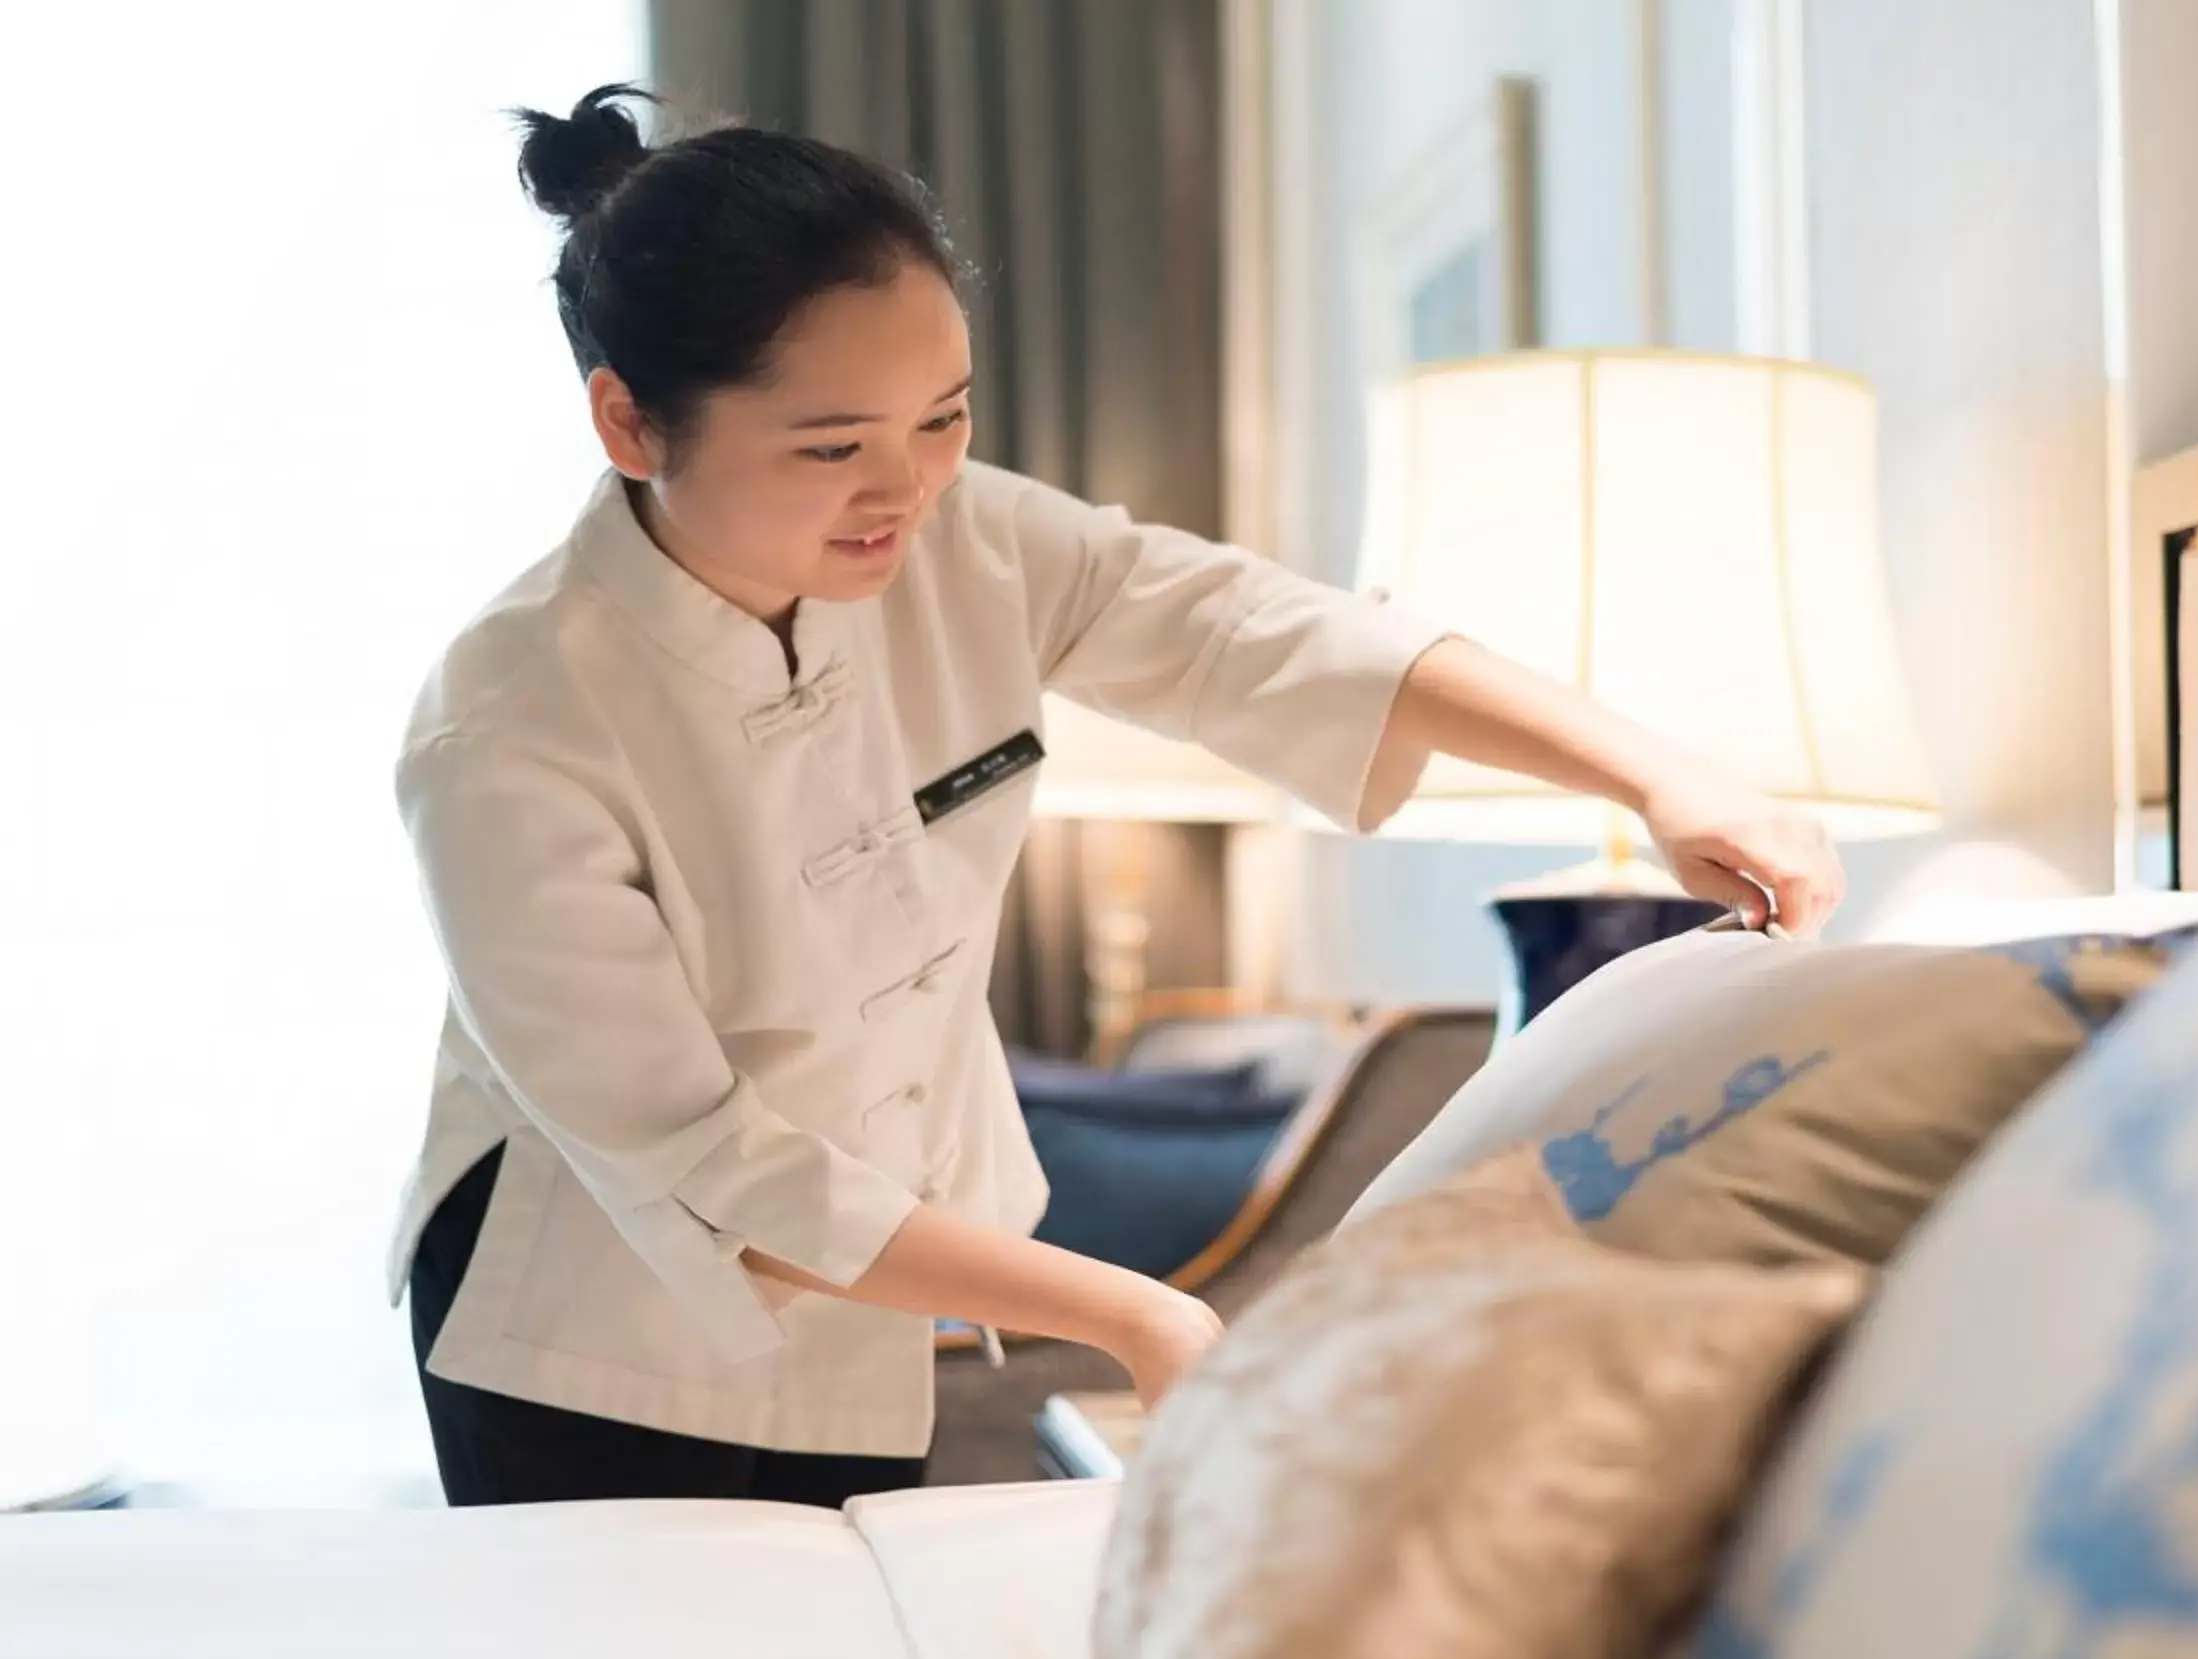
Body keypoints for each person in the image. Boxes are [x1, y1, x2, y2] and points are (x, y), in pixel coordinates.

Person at [391, 84, 1845, 1510]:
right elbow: (699, 1166)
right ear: (631, 425)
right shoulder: (509, 726)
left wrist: (1663, 774)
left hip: (872, 1294)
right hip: (591, 1319)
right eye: (832, 447)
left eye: (943, 419)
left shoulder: (966, 541)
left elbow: (1261, 632)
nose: (903, 491)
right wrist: (1134, 1311)